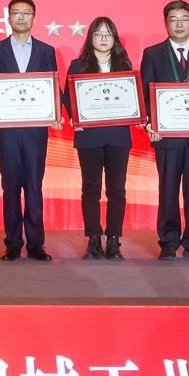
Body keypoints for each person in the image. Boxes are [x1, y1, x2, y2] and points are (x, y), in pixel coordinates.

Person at [139, 0, 189, 260]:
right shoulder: (152, 54)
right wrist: (150, 123)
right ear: (166, 23)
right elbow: (145, 92)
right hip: (166, 137)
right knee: (168, 191)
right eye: (173, 19)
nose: (179, 24)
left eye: (184, 19)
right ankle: (169, 242)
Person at [0, 0, 56, 261]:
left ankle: (36, 244)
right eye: (16, 13)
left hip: (36, 131)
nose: (21, 17)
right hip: (7, 131)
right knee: (11, 186)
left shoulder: (46, 51)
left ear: (34, 17)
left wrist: (55, 113)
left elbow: (53, 86)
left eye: (26, 13)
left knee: (34, 186)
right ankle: (13, 243)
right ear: (9, 17)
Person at [65, 16, 134, 259]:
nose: (103, 38)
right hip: (89, 137)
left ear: (114, 38)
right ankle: (93, 238)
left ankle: (114, 239)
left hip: (118, 136)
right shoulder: (78, 66)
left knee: (117, 189)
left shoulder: (125, 64)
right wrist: (75, 117)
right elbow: (67, 97)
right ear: (90, 38)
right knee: (91, 189)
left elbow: (133, 97)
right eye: (98, 34)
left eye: (108, 34)